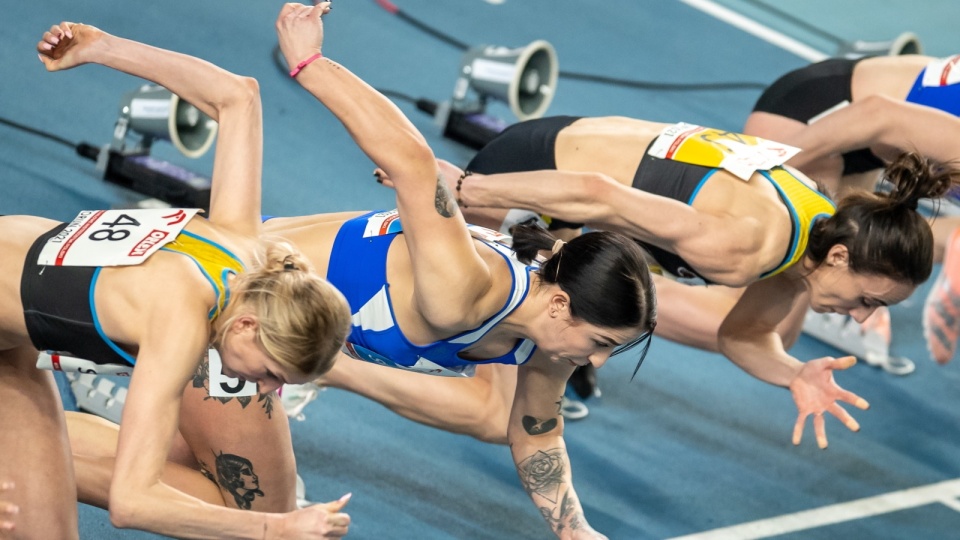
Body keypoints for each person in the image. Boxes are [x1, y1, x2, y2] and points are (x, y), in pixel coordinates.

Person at [58, 5, 658, 540]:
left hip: (228, 299)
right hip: (214, 306)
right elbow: (411, 161)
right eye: (602, 343)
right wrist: (310, 62)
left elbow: (535, 432)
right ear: (561, 306)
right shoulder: (467, 291)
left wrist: (577, 532)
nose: (598, 362)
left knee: (203, 468)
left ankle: (61, 429)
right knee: (261, 514)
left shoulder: (550, 344)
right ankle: (42, 440)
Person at [375, 114, 955, 450]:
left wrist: (794, 373)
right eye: (865, 300)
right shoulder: (742, 247)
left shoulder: (806, 236)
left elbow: (743, 336)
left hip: (569, 205)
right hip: (539, 179)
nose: (858, 318)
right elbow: (601, 193)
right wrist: (468, 188)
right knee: (493, 414)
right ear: (838, 258)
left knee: (524, 384)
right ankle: (324, 360)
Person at [1, 16, 353, 539]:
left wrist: (104, 46)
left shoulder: (241, 243)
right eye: (274, 374)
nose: (269, 390)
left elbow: (239, 98)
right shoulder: (181, 319)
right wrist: (274, 529)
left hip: (12, 347)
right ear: (247, 327)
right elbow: (132, 501)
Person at [740, 53, 960, 364]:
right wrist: (765, 169)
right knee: (760, 327)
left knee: (782, 321)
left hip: (865, 147)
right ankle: (652, 284)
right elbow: (877, 114)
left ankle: (863, 286)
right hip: (819, 112)